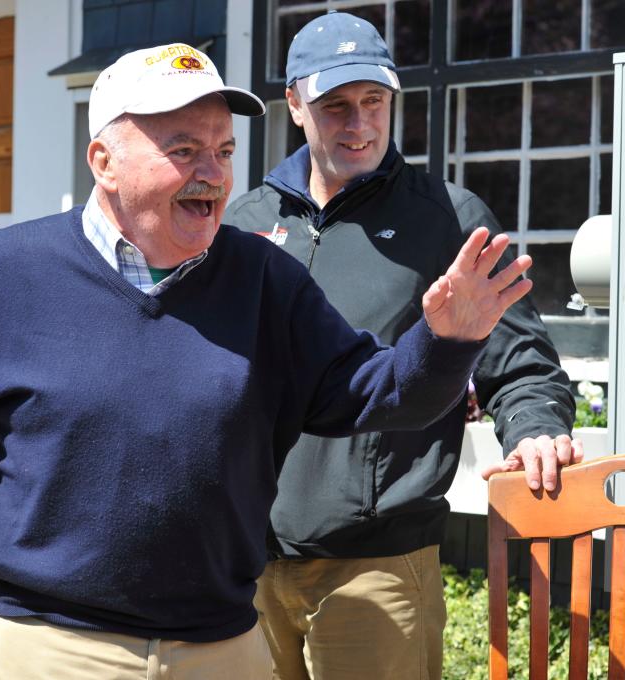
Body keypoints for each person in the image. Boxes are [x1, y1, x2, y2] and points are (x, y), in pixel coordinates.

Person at [0, 43, 535, 680]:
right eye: (183, 150)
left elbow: (376, 396)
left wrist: (446, 340)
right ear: (103, 162)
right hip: (52, 651)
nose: (212, 174)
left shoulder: (265, 279)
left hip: (223, 651)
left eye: (224, 152)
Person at [223, 13, 581, 680]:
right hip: (248, 567)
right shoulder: (245, 225)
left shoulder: (448, 218)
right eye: (335, 107)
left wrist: (534, 430)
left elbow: (523, 367)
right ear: (295, 105)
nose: (359, 124)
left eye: (374, 102)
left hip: (377, 569)